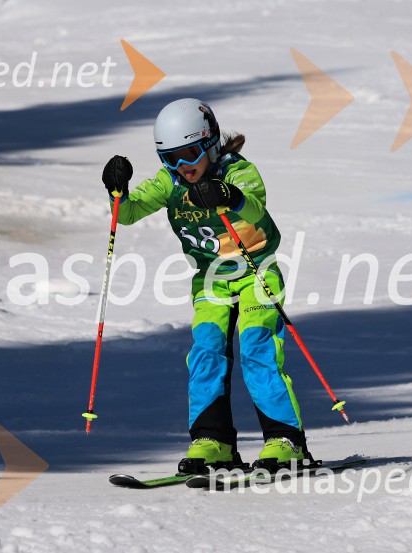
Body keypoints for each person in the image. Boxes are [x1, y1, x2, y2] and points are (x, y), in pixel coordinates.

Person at [101, 98, 309, 471]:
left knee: (257, 348)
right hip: (210, 281)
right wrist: (118, 190)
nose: (183, 166)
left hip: (256, 272)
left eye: (190, 154)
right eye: (171, 158)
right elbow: (127, 214)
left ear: (211, 143)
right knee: (206, 353)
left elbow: (255, 208)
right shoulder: (169, 182)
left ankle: (285, 440)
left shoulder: (238, 171)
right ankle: (213, 441)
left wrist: (229, 196)